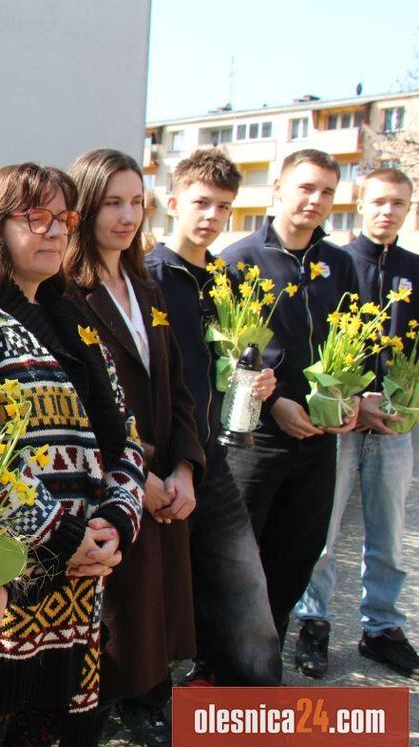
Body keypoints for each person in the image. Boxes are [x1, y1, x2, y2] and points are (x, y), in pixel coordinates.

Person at [0, 162, 145, 747]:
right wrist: (63, 535)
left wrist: (116, 524)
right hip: (2, 585)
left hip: (75, 597)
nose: (53, 232)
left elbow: (125, 436)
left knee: (35, 743)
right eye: (35, 217)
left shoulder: (76, 317)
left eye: (64, 219)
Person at [63, 148, 204, 747]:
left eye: (137, 202)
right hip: (111, 483)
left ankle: (146, 705)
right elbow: (78, 404)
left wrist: (184, 469)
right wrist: (136, 474)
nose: (127, 216)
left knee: (152, 614)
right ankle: (95, 721)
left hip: (164, 481)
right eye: (113, 202)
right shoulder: (67, 293)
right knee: (114, 616)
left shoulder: (147, 286)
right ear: (87, 206)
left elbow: (176, 389)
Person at [144, 149, 282, 692]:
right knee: (157, 592)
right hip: (159, 457)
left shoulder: (226, 282)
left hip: (212, 457)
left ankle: (262, 710)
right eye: (201, 202)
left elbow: (228, 367)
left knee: (246, 582)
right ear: (175, 202)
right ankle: (148, 701)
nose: (211, 216)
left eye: (223, 208)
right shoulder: (149, 277)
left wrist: (258, 386)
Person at [218, 149, 359, 660]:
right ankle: (219, 663)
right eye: (306, 187)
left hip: (319, 444)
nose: (316, 200)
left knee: (295, 555)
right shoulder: (238, 261)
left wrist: (351, 399)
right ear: (278, 187)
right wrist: (275, 403)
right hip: (256, 440)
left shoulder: (339, 264)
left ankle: (264, 659)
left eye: (326, 191)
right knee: (237, 558)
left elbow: (352, 341)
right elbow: (227, 353)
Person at [293, 167, 419, 678]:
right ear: (361, 204)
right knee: (322, 534)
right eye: (380, 201)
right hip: (340, 424)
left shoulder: (415, 268)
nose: (389, 212)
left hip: (395, 427)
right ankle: (313, 622)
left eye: (400, 205)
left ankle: (382, 627)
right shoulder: (340, 265)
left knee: (387, 533)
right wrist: (352, 399)